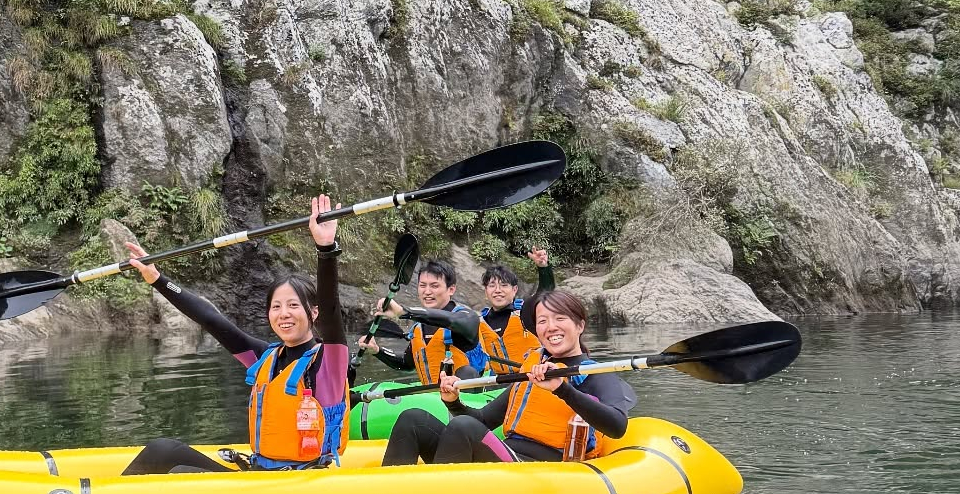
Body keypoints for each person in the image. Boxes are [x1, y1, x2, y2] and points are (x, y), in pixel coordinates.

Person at [121, 196, 348, 475]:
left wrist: (325, 250)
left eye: (293, 305)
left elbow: (330, 308)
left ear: (313, 314)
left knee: (181, 472)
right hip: (260, 477)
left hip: (302, 485)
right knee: (162, 451)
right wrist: (158, 279)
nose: (283, 313)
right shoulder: (263, 358)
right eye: (276, 307)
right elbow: (210, 319)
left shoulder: (330, 362)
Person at [380, 288, 634, 467]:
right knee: (413, 419)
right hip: (510, 454)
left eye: (560, 318)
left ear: (579, 325)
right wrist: (453, 401)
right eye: (542, 321)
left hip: (544, 467)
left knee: (463, 427)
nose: (550, 327)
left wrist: (562, 390)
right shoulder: (534, 367)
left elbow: (617, 427)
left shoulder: (593, 374)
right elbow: (484, 419)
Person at [355, 258, 481, 384]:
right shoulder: (418, 328)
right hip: (434, 397)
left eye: (434, 286)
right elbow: (406, 364)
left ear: (451, 289)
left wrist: (404, 312)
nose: (427, 292)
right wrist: (377, 350)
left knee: (467, 372)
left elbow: (451, 320)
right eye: (422, 285)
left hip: (468, 397)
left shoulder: (467, 317)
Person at [467, 246, 555, 372]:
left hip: (533, 376)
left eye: (504, 285)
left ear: (514, 290)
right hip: (498, 382)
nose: (498, 290)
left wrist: (543, 267)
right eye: (492, 286)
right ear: (486, 292)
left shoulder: (526, 311)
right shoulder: (480, 323)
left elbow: (546, 291)